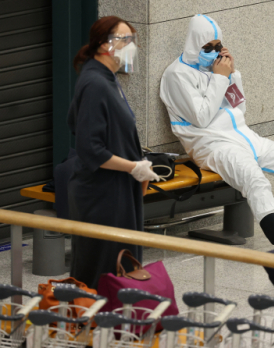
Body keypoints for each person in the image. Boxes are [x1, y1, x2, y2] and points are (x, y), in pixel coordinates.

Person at [160, 15, 274, 248]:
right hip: (211, 145)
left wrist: (232, 75)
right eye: (207, 47)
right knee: (256, 181)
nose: (214, 52)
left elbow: (239, 108)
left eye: (218, 46)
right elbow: (201, 118)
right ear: (193, 46)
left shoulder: (218, 69)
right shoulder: (176, 75)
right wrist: (220, 78)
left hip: (245, 136)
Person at [68, 16, 159, 288]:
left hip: (118, 189)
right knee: (105, 264)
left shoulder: (108, 79)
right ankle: (95, 322)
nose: (131, 46)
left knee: (121, 262)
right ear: (105, 45)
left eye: (132, 39)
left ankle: (116, 322)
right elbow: (89, 147)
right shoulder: (95, 83)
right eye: (125, 39)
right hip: (103, 194)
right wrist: (133, 167)